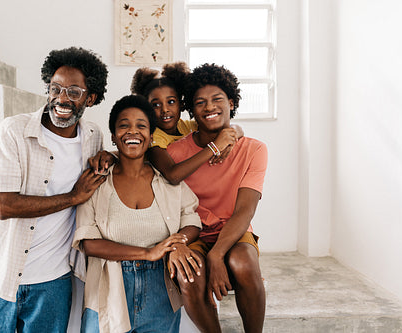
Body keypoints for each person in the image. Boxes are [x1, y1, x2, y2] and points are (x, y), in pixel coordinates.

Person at [0, 46, 108, 333]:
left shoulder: (93, 137)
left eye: (74, 92)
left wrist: (111, 156)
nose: (62, 98)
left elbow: (107, 159)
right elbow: (5, 206)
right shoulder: (12, 132)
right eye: (55, 88)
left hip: (53, 282)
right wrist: (73, 198)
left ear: (90, 98)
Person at [73, 95, 202, 333]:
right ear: (113, 135)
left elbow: (192, 220)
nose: (133, 131)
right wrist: (147, 253)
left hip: (161, 291)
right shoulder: (96, 181)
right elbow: (88, 243)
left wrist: (179, 243)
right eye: (124, 125)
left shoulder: (167, 181)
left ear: (151, 136)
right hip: (107, 289)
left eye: (141, 126)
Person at [167, 63, 268, 333]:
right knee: (189, 277)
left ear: (231, 102)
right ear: (191, 110)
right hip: (193, 233)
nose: (209, 107)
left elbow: (245, 210)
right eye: (200, 102)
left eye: (217, 99)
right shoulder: (177, 153)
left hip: (233, 231)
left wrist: (218, 255)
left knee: (243, 263)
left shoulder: (254, 149)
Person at [91, 62, 241, 185]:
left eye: (171, 102)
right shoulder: (152, 137)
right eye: (155, 105)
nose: (165, 110)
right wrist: (215, 147)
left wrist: (235, 131)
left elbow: (228, 128)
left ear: (181, 104)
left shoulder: (187, 126)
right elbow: (172, 175)